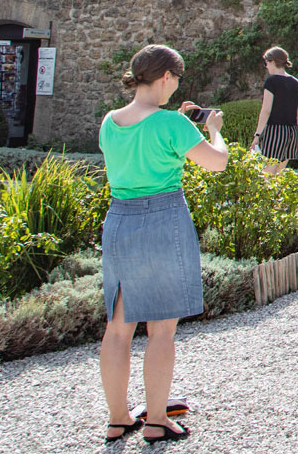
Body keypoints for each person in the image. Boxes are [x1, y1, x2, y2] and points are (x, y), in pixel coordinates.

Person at [98, 44, 228, 445]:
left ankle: (118, 418)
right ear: (167, 78)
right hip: (163, 219)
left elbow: (140, 142)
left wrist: (178, 123)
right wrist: (214, 131)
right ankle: (156, 420)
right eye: (176, 80)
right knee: (161, 331)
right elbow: (216, 162)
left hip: (119, 219)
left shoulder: (110, 121)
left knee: (118, 328)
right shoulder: (172, 125)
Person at [251, 47, 298, 175]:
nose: (266, 66)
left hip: (274, 131)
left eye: (267, 63)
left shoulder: (271, 82)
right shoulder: (296, 82)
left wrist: (257, 134)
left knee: (267, 176)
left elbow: (266, 110)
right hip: (291, 132)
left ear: (273, 62)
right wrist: (295, 130)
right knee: (279, 175)